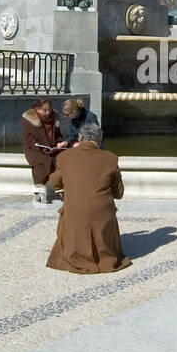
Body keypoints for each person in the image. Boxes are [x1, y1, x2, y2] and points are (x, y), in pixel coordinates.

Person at [45, 123, 131, 274]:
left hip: (75, 213)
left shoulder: (64, 156)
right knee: (104, 211)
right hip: (102, 214)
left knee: (70, 212)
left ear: (79, 138)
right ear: (99, 140)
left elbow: (53, 183)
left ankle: (75, 252)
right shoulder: (110, 159)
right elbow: (119, 193)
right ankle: (103, 254)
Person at [22, 97, 68, 203]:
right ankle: (39, 192)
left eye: (49, 110)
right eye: (44, 110)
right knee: (42, 161)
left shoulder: (54, 117)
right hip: (34, 148)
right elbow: (28, 139)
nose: (47, 113)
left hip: (52, 147)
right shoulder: (29, 119)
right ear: (37, 109)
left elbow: (58, 135)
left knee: (61, 159)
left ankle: (60, 190)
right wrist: (42, 147)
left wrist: (60, 143)